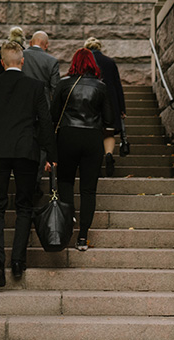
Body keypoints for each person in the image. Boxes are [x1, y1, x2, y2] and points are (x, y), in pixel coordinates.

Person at [0, 41, 58, 285]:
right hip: (26, 150)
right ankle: (18, 261)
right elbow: (45, 121)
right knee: (24, 206)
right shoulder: (35, 86)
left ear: (2, 63)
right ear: (22, 61)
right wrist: (51, 155)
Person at [50, 47, 112, 251]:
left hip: (68, 135)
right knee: (88, 189)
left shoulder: (64, 83)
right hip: (92, 137)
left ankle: (68, 222)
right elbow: (109, 119)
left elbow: (53, 115)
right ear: (93, 64)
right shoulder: (101, 87)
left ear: (74, 63)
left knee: (65, 182)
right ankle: (83, 236)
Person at [84, 37, 126, 177]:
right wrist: (122, 108)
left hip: (91, 100)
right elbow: (117, 85)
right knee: (108, 132)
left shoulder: (85, 62)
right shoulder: (110, 62)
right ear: (99, 47)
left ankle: (94, 162)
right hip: (111, 102)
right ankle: (108, 154)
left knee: (93, 132)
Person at [23, 30, 60, 100]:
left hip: (23, 99)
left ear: (30, 43)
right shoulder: (52, 61)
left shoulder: (20, 55)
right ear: (46, 45)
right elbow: (55, 89)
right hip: (43, 101)